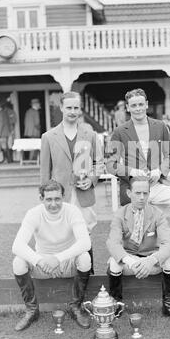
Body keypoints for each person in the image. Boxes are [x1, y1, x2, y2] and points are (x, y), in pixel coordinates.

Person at [106, 88, 170, 276]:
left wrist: (159, 170)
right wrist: (132, 172)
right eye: (133, 105)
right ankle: (128, 263)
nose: (138, 108)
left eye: (140, 104)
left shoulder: (160, 126)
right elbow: (110, 165)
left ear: (146, 105)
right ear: (128, 108)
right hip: (133, 189)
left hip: (156, 184)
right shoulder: (120, 131)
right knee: (136, 230)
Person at [12, 180, 92, 331]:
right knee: (18, 262)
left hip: (67, 263)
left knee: (85, 257)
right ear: (41, 198)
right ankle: (32, 310)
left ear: (63, 197)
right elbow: (17, 245)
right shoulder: (33, 214)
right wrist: (41, 261)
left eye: (57, 199)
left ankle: (76, 307)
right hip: (43, 265)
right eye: (49, 199)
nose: (54, 204)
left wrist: (57, 258)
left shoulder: (72, 211)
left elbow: (85, 243)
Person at [106, 176, 170, 322]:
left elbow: (169, 245)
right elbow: (113, 243)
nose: (142, 197)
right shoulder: (120, 214)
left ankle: (168, 305)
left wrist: (150, 261)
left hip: (151, 260)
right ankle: (117, 305)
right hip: (130, 260)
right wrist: (130, 262)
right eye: (138, 193)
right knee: (114, 262)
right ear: (129, 193)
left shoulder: (158, 214)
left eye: (145, 193)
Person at [40, 91, 104, 267]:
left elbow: (99, 163)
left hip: (84, 193)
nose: (72, 111)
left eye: (76, 107)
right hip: (60, 194)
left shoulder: (90, 134)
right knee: (63, 233)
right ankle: (65, 271)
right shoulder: (48, 137)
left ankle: (86, 274)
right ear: (61, 108)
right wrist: (46, 196)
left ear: (80, 109)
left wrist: (91, 179)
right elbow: (45, 171)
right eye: (68, 107)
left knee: (85, 232)